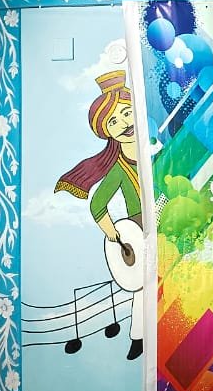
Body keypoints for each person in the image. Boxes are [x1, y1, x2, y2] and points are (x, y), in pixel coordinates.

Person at [55, 70, 146, 361]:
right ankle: (138, 338)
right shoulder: (118, 168)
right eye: (113, 121)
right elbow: (97, 206)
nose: (124, 124)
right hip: (141, 234)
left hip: (174, 222)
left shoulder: (158, 151)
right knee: (143, 289)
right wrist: (117, 237)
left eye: (127, 113)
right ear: (106, 131)